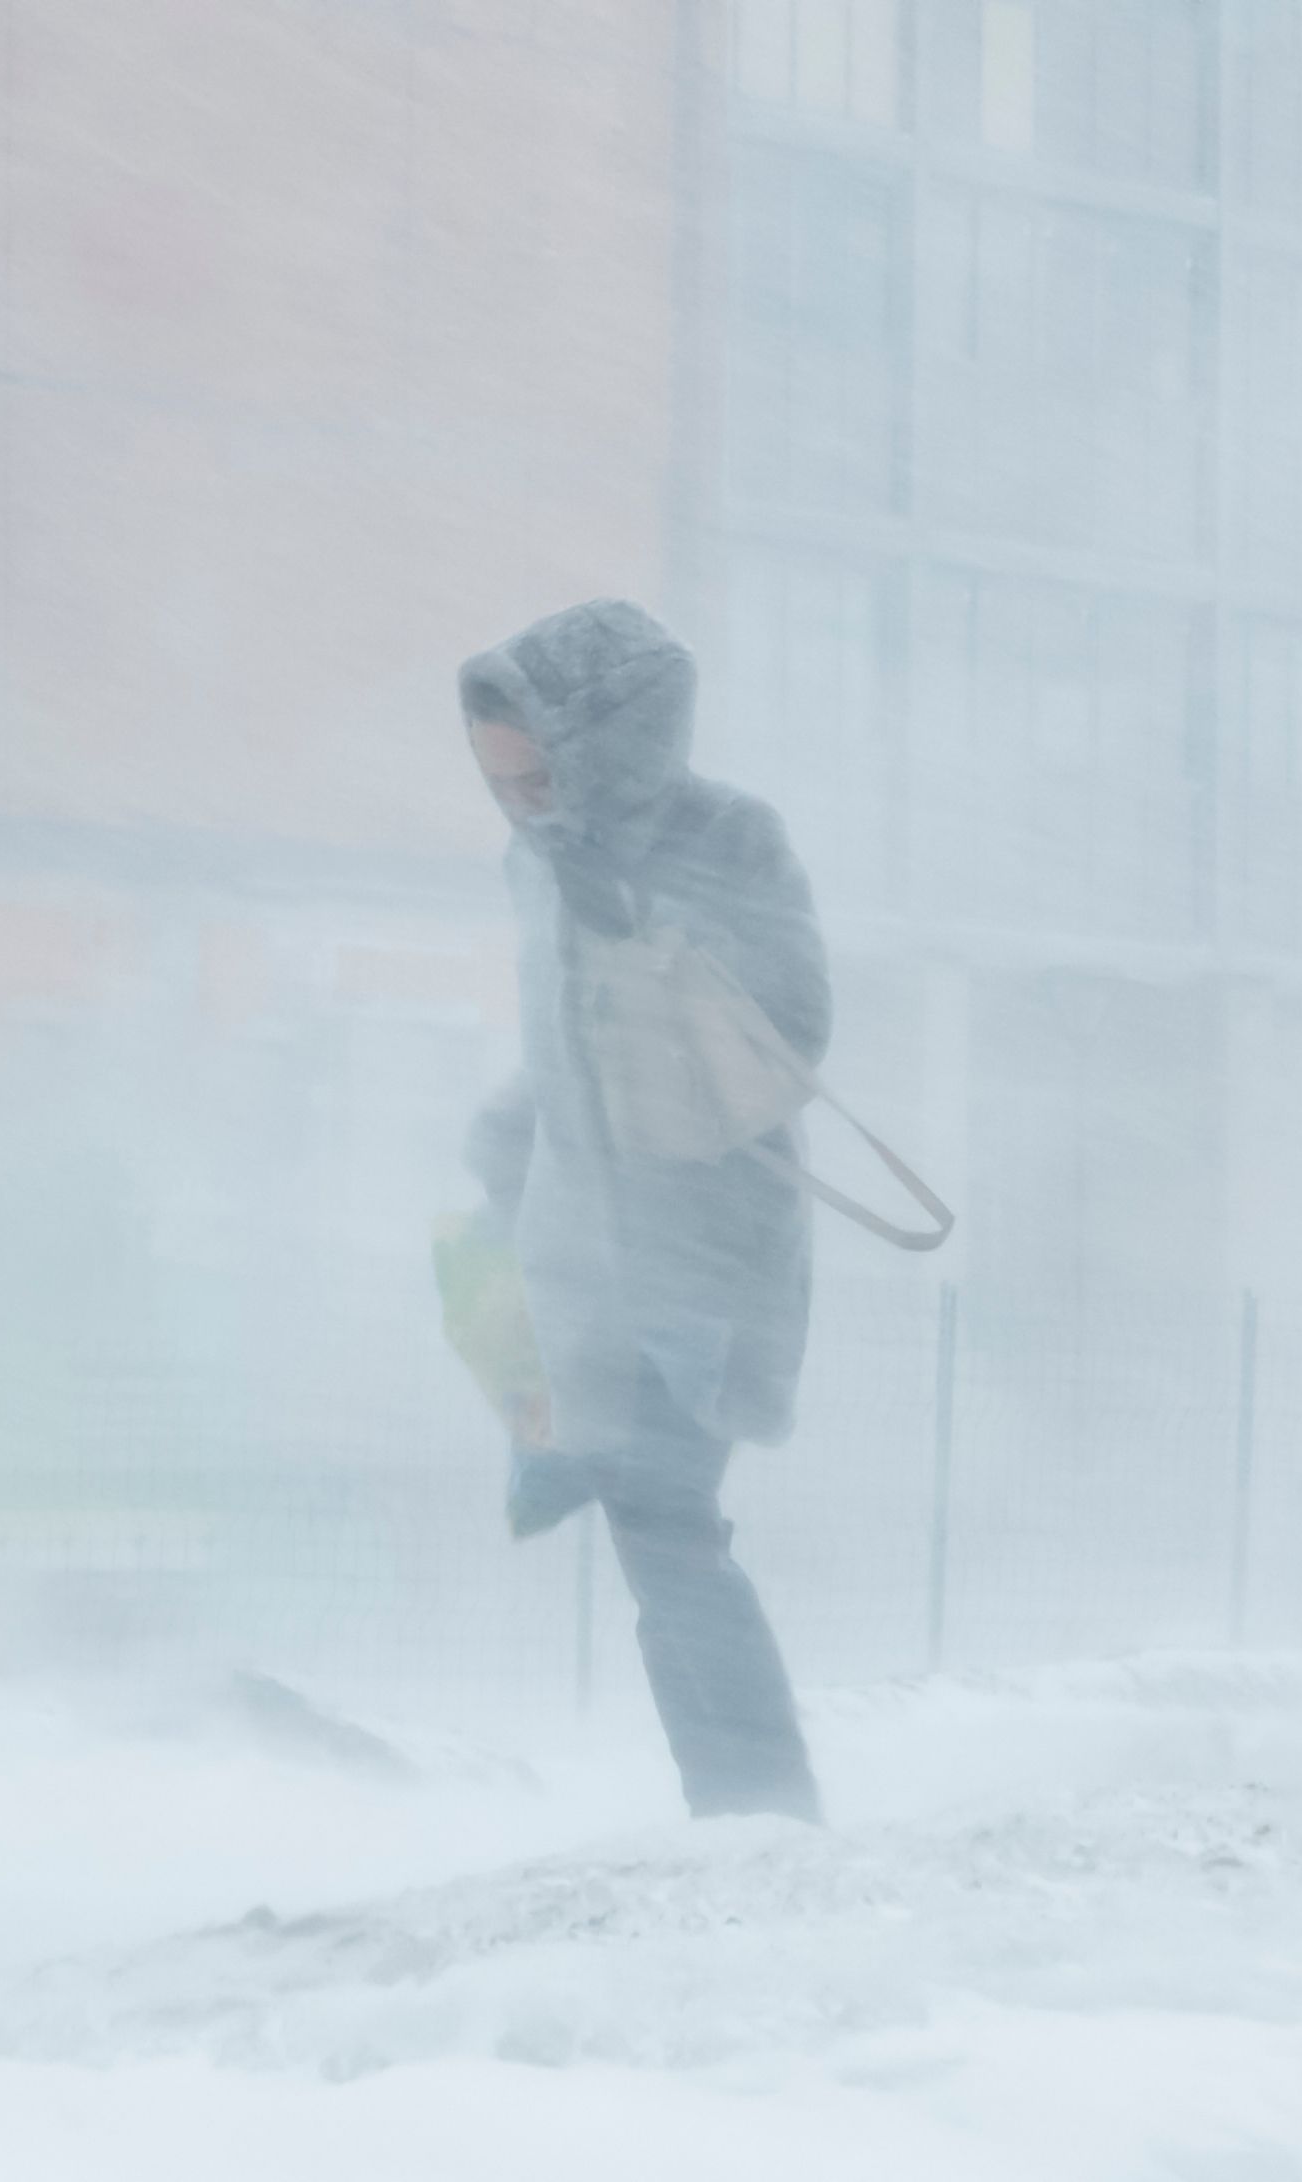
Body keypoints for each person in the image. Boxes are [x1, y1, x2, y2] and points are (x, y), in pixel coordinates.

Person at [456, 598, 825, 1824]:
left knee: (668, 1529)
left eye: (539, 774)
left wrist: (650, 915)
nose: (520, 801)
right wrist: (512, 1130)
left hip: (706, 1260)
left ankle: (758, 1810)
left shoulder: (730, 837)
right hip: (586, 1255)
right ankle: (749, 1808)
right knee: (653, 1531)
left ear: (604, 744)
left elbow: (786, 1035)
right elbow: (571, 1054)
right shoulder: (539, 859)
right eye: (498, 781)